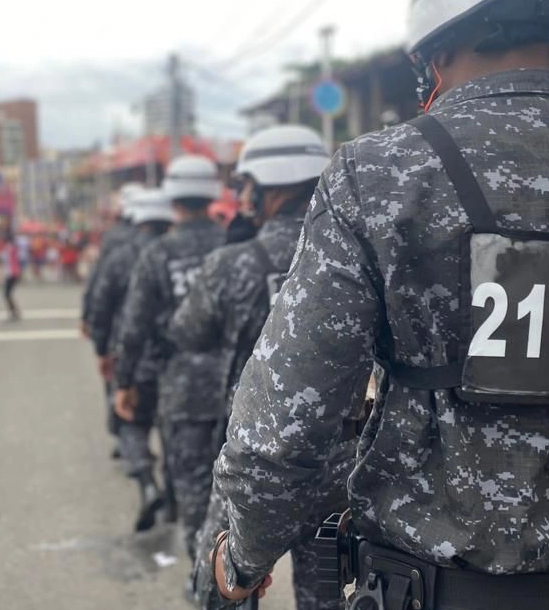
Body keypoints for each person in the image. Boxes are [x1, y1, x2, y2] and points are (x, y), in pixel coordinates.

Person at [209, 0, 549, 610]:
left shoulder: (377, 175)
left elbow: (284, 422)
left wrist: (244, 552)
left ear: (434, 54)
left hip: (426, 587)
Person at [168, 126, 354, 609]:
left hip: (254, 457)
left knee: (221, 589)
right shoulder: (357, 252)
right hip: (342, 465)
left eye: (246, 186)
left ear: (267, 187)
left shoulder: (232, 263)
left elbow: (188, 333)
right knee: (328, 598)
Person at [114, 155, 225, 569]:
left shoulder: (159, 254)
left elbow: (134, 327)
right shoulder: (234, 244)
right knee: (240, 490)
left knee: (194, 490)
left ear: (173, 199)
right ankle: (240, 576)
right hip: (241, 387)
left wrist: (124, 383)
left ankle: (206, 580)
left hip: (184, 390)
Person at [88, 188, 175, 530]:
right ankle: (173, 501)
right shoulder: (174, 253)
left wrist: (101, 349)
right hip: (172, 361)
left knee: (130, 422)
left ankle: (147, 483)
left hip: (134, 356)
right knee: (173, 433)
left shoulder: (121, 254)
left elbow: (101, 303)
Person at [80, 182, 144, 334]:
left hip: (121, 321)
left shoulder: (112, 237)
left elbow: (100, 280)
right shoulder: (161, 237)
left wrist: (88, 316)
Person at [0, 231, 22, 320]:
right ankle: (14, 311)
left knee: (7, 294)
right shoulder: (6, 248)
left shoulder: (11, 248)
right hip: (9, 273)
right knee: (7, 294)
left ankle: (14, 311)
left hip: (12, 273)